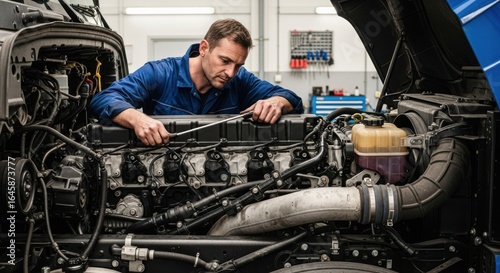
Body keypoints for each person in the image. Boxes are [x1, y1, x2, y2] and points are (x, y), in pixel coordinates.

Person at [90, 18, 304, 146]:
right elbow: (104, 98)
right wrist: (137, 119)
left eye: (238, 65)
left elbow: (292, 100)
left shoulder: (240, 80)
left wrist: (277, 102)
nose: (231, 72)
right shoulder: (160, 73)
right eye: (225, 61)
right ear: (204, 49)